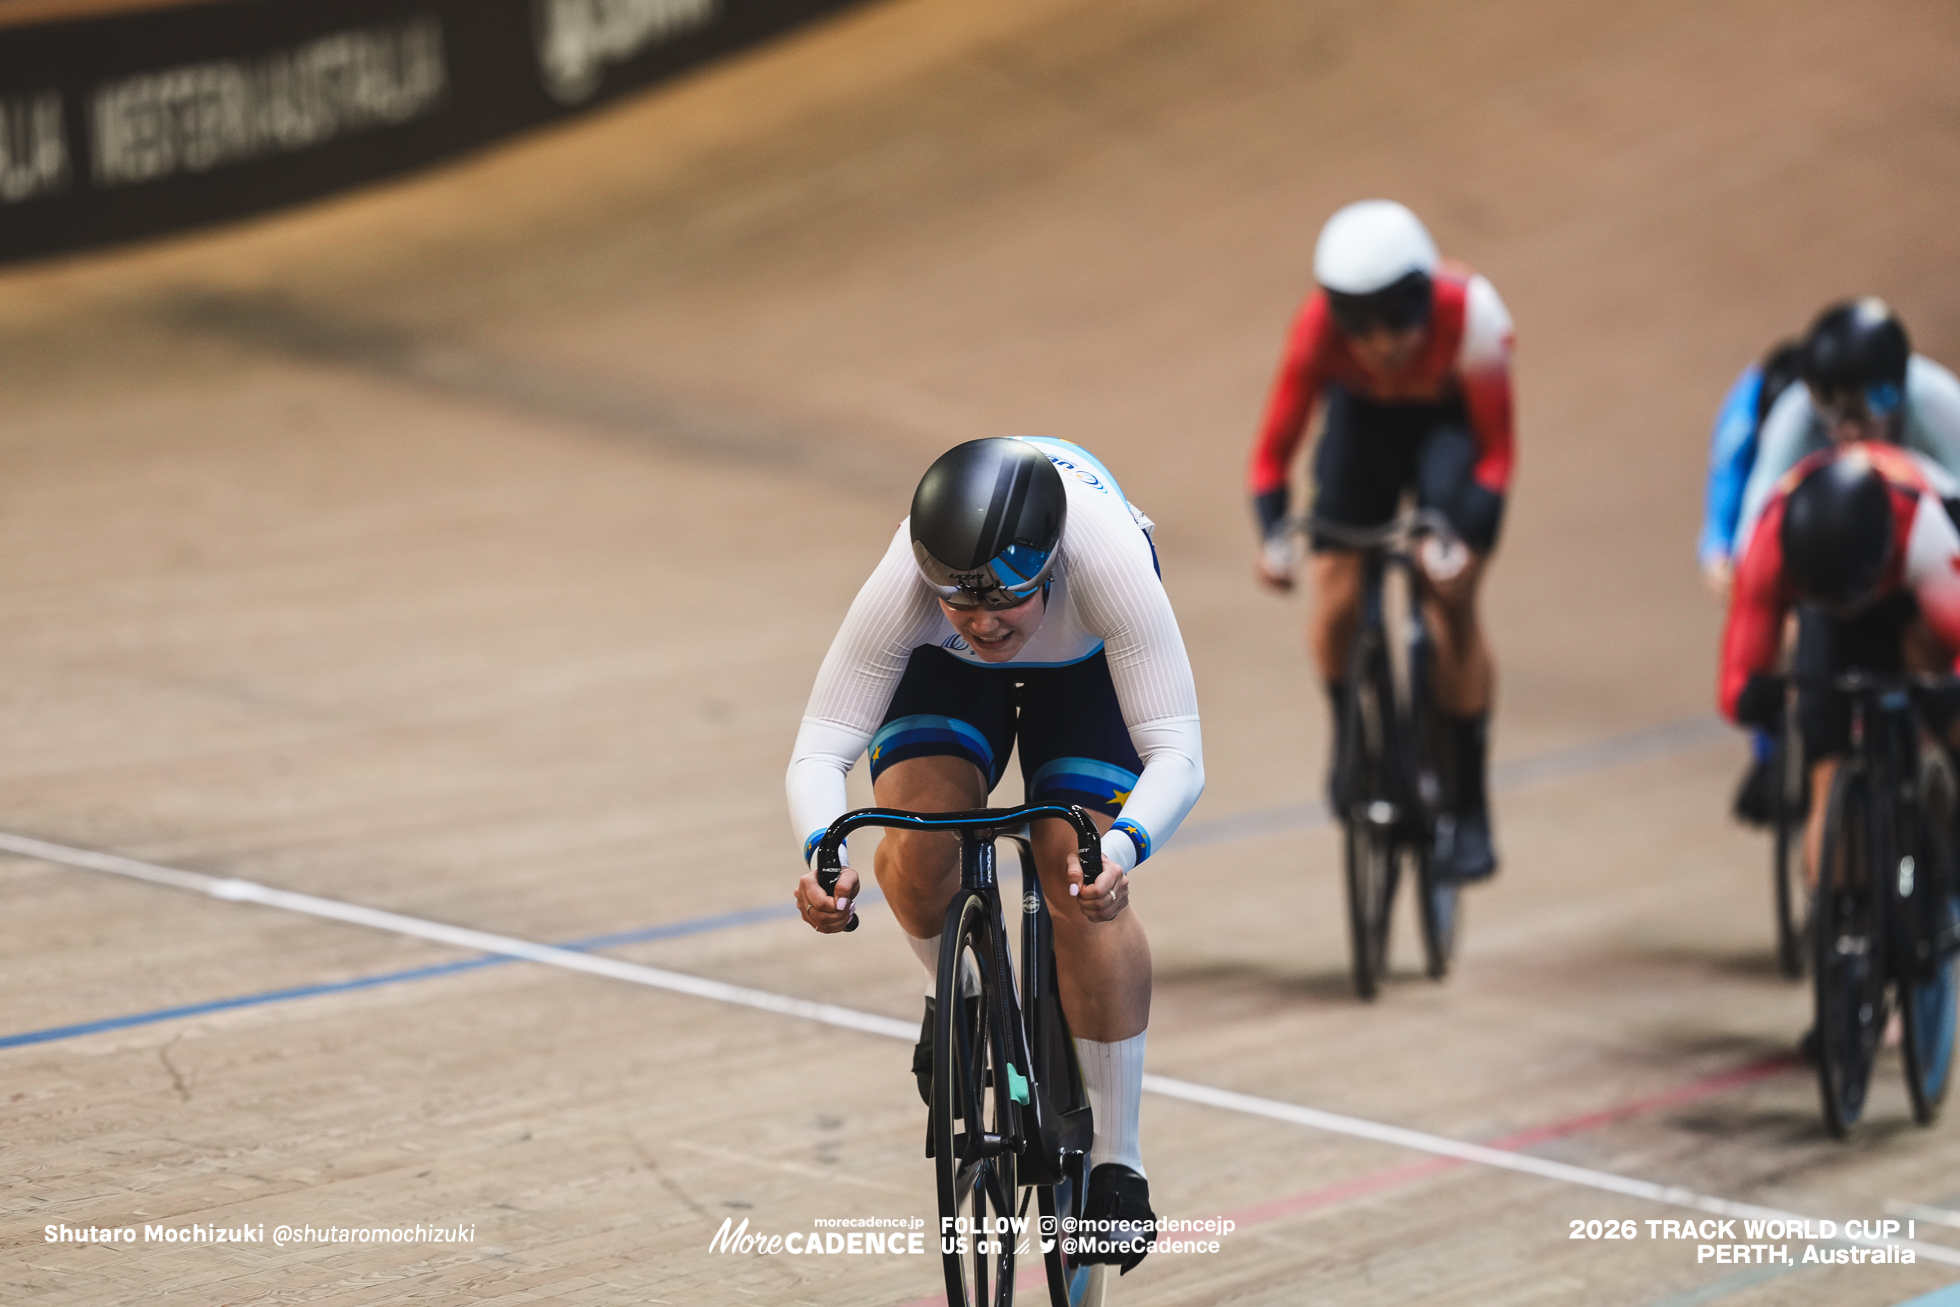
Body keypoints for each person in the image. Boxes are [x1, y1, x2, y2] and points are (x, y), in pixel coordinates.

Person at [787, 436, 1204, 1275]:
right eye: (958, 602)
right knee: (921, 831)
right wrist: (824, 853)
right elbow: (819, 750)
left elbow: (1178, 752)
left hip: (1084, 666)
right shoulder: (911, 581)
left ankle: (1120, 1158)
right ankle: (961, 993)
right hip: (950, 676)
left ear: (1048, 566)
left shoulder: (1109, 559)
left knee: (1073, 868)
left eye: (1003, 601)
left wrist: (1120, 847)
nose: (980, 622)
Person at [1246, 199, 1513, 881]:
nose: (1379, 343)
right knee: (1334, 586)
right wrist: (1275, 536)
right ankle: (1349, 736)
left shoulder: (1474, 317)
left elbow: (1495, 454)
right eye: (1357, 326)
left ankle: (1472, 802)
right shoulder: (1315, 333)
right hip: (1363, 428)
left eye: (1397, 319)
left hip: (1447, 432)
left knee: (1445, 600)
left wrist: (1467, 542)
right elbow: (1272, 455)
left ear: (1425, 299)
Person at [1720, 444, 1960, 896]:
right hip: (1827, 599)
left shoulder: (1922, 528)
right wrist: (1751, 695)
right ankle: (1842, 915)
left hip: (1908, 589)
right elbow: (1743, 657)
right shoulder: (1770, 541)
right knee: (1825, 762)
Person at [1732, 299, 1960, 558]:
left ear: (1896, 398)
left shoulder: (1936, 403)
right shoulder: (1795, 415)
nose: (1848, 431)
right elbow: (1758, 518)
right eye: (1831, 413)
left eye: (1859, 412)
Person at [1697, 339, 1804, 825]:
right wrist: (1717, 556)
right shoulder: (1741, 417)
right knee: (1753, 601)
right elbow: (1726, 502)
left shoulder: (1826, 417)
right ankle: (1770, 750)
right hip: (1764, 512)